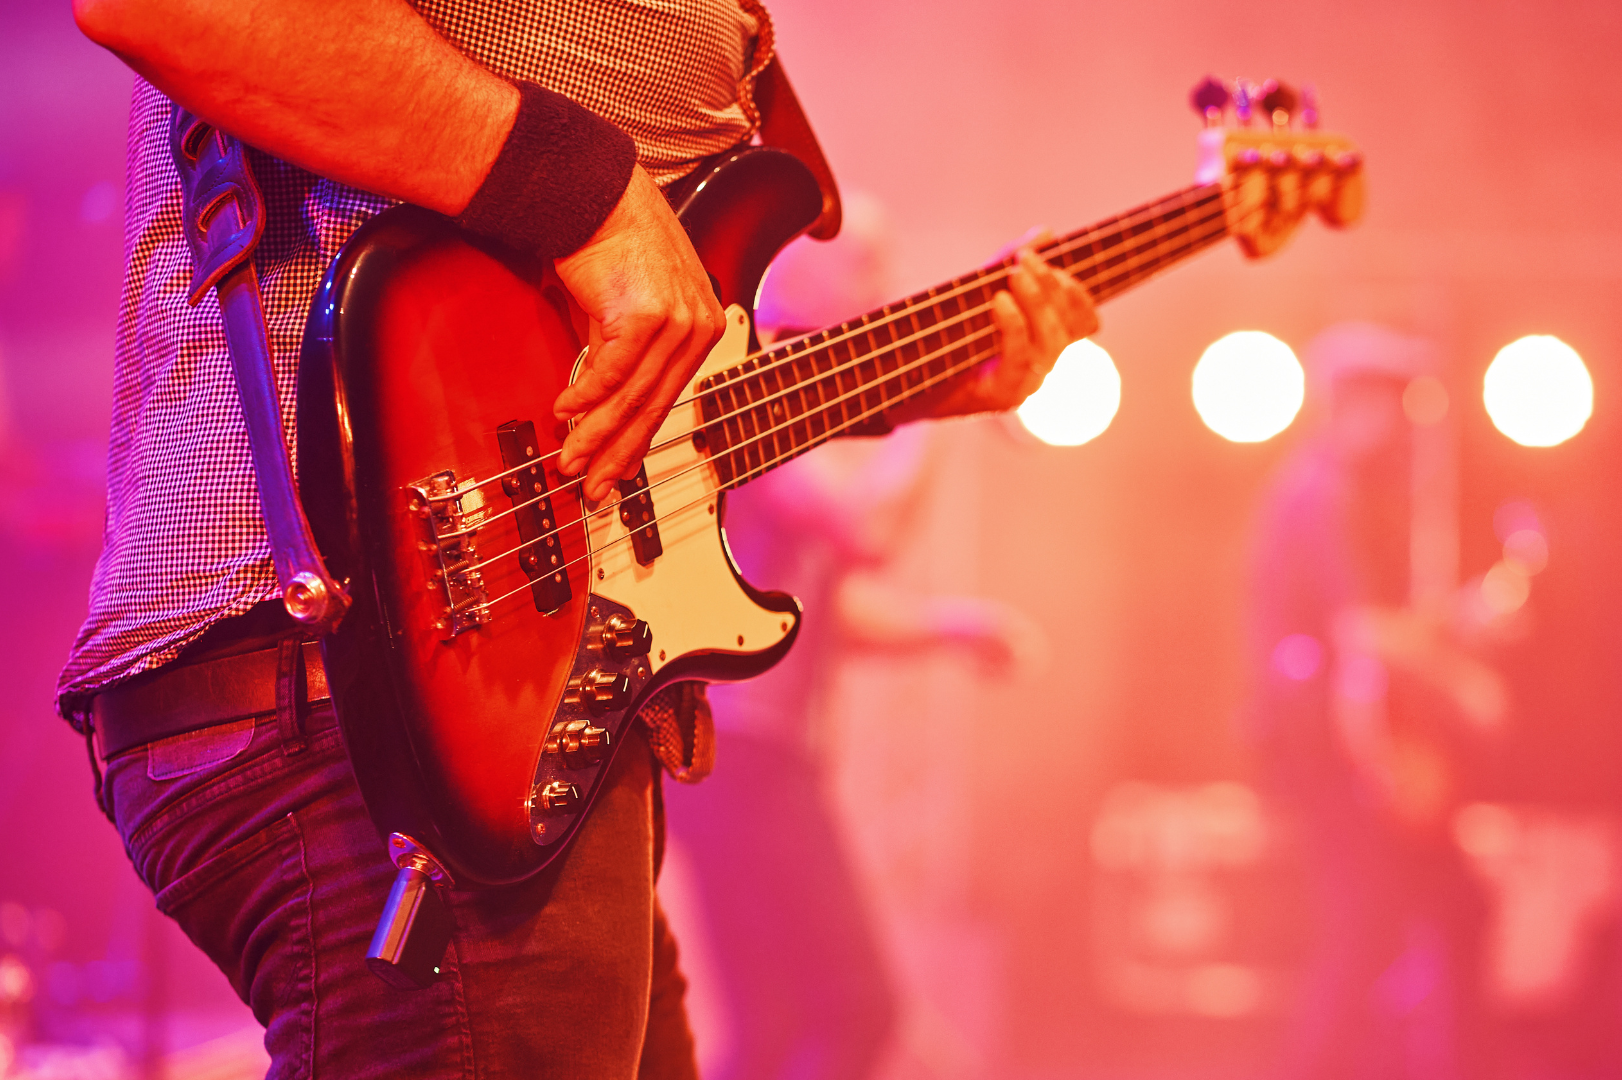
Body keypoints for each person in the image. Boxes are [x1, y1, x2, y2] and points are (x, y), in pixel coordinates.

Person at [53, 2, 1099, 1075]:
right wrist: (593, 200)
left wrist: (909, 381)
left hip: (515, 706)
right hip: (364, 678)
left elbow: (660, 395)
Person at [665, 205, 1045, 1080]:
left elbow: (809, 611)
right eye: (862, 261)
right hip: (738, 754)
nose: (879, 283)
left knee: (769, 1027)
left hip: (744, 752)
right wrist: (940, 401)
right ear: (792, 269)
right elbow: (864, 530)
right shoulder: (749, 382)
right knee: (853, 1010)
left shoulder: (801, 399)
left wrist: (950, 627)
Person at [1247, 322, 1504, 1080]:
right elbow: (1358, 638)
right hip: (1334, 753)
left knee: (1395, 929)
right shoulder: (1323, 497)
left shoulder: (1335, 495)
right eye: (1392, 405)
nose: (1403, 428)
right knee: (1365, 938)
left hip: (1346, 750)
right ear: (1352, 403)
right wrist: (1460, 675)